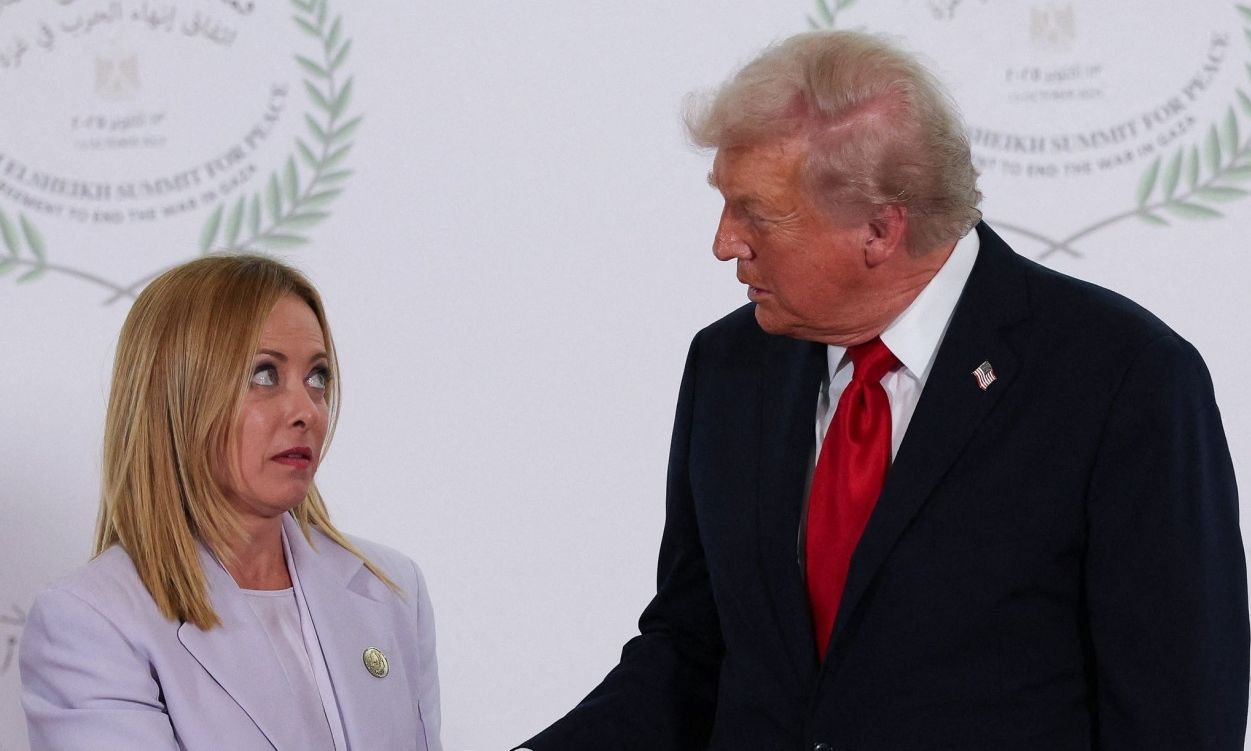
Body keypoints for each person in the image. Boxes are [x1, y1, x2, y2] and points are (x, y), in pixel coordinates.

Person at [519, 30, 1248, 750]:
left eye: (756, 213)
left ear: (879, 228)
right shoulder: (730, 366)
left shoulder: (1121, 380)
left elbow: (1177, 714)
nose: (724, 242)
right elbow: (693, 649)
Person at [19, 255, 441, 750]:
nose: (306, 410)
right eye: (264, 374)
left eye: (318, 377)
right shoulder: (91, 621)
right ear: (177, 393)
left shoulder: (391, 591)